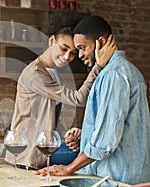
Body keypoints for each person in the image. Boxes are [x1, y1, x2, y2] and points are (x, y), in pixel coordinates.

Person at [33, 15, 150, 185]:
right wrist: (86, 135)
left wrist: (69, 168)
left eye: (82, 48)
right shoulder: (126, 70)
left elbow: (104, 142)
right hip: (124, 172)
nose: (79, 55)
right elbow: (121, 125)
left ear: (101, 42)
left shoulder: (112, 75)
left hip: (115, 177)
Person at [4, 26, 116, 169]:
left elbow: (48, 116)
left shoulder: (50, 72)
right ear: (52, 41)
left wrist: (66, 134)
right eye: (64, 49)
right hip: (30, 152)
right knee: (88, 155)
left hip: (43, 145)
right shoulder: (35, 74)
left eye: (73, 53)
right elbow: (78, 99)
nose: (67, 56)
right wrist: (99, 66)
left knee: (87, 152)